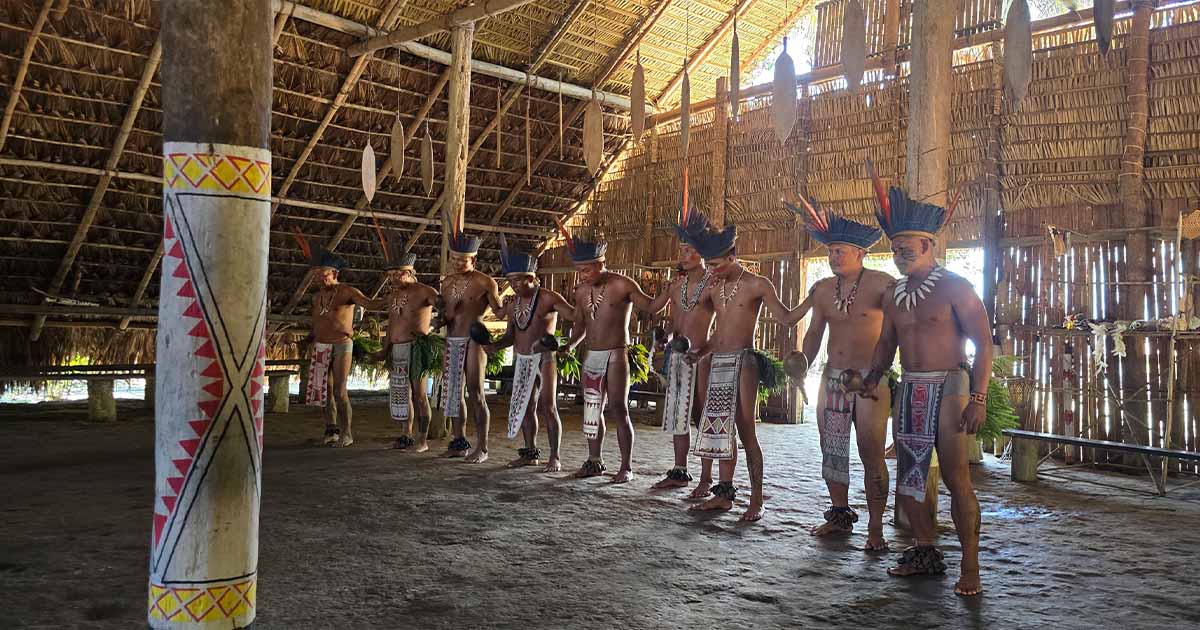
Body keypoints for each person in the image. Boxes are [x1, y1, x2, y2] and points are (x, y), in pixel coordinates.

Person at [861, 176, 992, 597]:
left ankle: (969, 566)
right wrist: (871, 376)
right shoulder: (893, 294)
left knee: (956, 478)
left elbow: (984, 343)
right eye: (894, 249)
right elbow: (885, 345)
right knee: (911, 477)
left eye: (907, 248)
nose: (898, 255)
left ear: (929, 245)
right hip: (913, 388)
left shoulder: (956, 286)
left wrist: (979, 397)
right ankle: (924, 552)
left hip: (952, 385)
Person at [682, 209, 812, 522]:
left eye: (714, 265)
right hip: (717, 362)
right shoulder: (715, 288)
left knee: (746, 431)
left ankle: (756, 500)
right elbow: (718, 334)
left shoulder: (758, 284)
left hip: (744, 362)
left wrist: (812, 299)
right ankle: (723, 495)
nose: (710, 272)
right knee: (717, 430)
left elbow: (787, 318)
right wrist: (699, 353)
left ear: (731, 257)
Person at [785, 197, 893, 551]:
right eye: (830, 251)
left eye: (840, 251)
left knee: (871, 452)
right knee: (832, 450)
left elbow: (900, 327)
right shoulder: (821, 290)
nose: (833, 257)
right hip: (832, 378)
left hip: (870, 380)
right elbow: (814, 333)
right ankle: (840, 514)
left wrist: (881, 372)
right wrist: (803, 359)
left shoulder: (882, 284)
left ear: (860, 253)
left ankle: (876, 528)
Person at [559, 223, 668, 484]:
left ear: (601, 263)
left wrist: (669, 292)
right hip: (592, 357)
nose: (582, 275)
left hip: (617, 355)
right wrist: (570, 345)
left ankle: (626, 467)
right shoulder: (581, 291)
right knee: (591, 411)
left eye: (586, 269)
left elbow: (652, 307)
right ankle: (594, 461)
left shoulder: (622, 284)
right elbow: (580, 325)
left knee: (619, 409)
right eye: (578, 270)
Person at [485, 236, 575, 472]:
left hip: (545, 359)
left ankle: (554, 456)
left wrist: (568, 344)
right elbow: (510, 335)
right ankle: (530, 452)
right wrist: (494, 346)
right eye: (510, 281)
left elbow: (578, 317)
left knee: (549, 406)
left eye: (518, 280)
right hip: (522, 358)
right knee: (526, 407)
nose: (513, 285)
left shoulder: (548, 298)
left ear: (531, 277)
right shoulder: (514, 305)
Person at [651, 209, 717, 493]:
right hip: (678, 356)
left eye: (689, 250)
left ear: (701, 253)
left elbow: (724, 324)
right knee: (678, 415)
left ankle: (706, 478)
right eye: (682, 250)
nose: (683, 255)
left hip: (702, 356)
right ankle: (680, 471)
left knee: (704, 416)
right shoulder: (676, 286)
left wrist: (703, 352)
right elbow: (665, 315)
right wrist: (663, 335)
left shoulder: (714, 284)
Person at [300, 244, 379, 448]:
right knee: (323, 390)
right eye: (316, 274)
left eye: (322, 274)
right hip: (320, 346)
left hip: (342, 344)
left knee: (340, 391)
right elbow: (317, 323)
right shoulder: (317, 297)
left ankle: (347, 433)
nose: (318, 277)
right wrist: (307, 339)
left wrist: (392, 297)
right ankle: (331, 429)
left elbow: (369, 304)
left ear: (334, 273)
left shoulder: (347, 292)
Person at [438, 224, 503, 463]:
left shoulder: (485, 282)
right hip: (452, 339)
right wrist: (444, 315)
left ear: (473, 258)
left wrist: (512, 306)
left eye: (463, 259)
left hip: (474, 341)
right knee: (454, 394)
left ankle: (482, 447)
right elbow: (442, 317)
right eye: (454, 258)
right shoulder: (446, 283)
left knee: (476, 393)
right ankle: (459, 442)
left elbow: (499, 311)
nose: (457, 263)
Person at [377, 246, 439, 453]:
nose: (393, 278)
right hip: (397, 348)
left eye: (397, 274)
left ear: (409, 272)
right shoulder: (394, 295)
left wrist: (437, 324)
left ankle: (423, 439)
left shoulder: (425, 291)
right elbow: (392, 323)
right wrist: (385, 349)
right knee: (402, 394)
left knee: (419, 395)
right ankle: (406, 435)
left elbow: (444, 306)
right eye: (390, 275)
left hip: (416, 348)